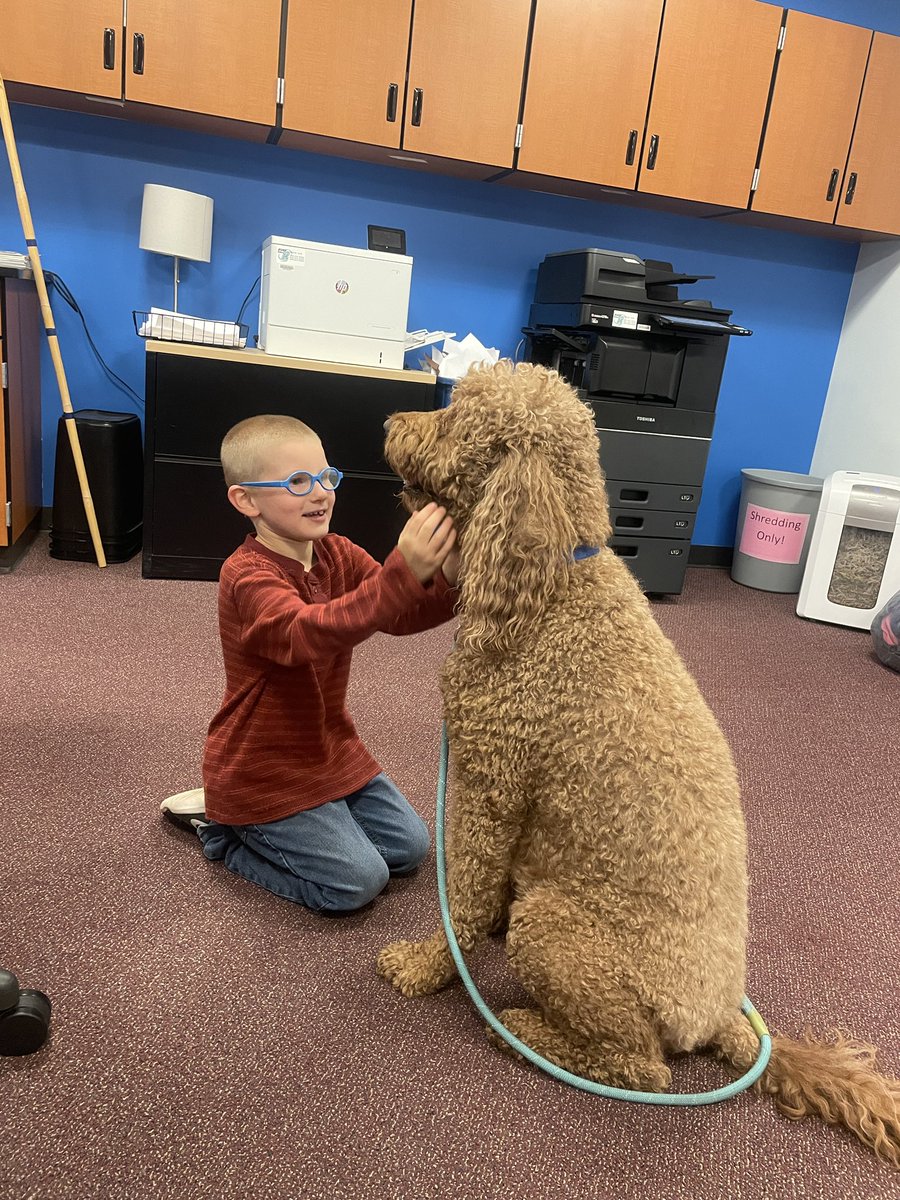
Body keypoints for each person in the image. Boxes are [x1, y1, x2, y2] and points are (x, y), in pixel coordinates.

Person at [160, 413, 459, 915]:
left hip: (329, 749)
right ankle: (223, 832)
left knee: (409, 851)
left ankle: (310, 818)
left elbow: (399, 614)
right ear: (246, 500)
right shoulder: (245, 575)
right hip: (263, 768)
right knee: (356, 885)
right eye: (297, 482)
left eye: (327, 477)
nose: (319, 493)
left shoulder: (336, 552)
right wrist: (404, 571)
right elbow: (306, 634)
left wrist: (447, 573)